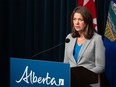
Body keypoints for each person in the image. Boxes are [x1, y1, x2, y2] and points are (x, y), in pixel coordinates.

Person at [63, 6, 105, 87]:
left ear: (87, 21)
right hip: (71, 83)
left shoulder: (96, 39)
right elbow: (65, 63)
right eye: (74, 19)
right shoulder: (69, 38)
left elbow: (100, 67)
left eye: (80, 20)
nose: (76, 23)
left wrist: (82, 76)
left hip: (89, 83)